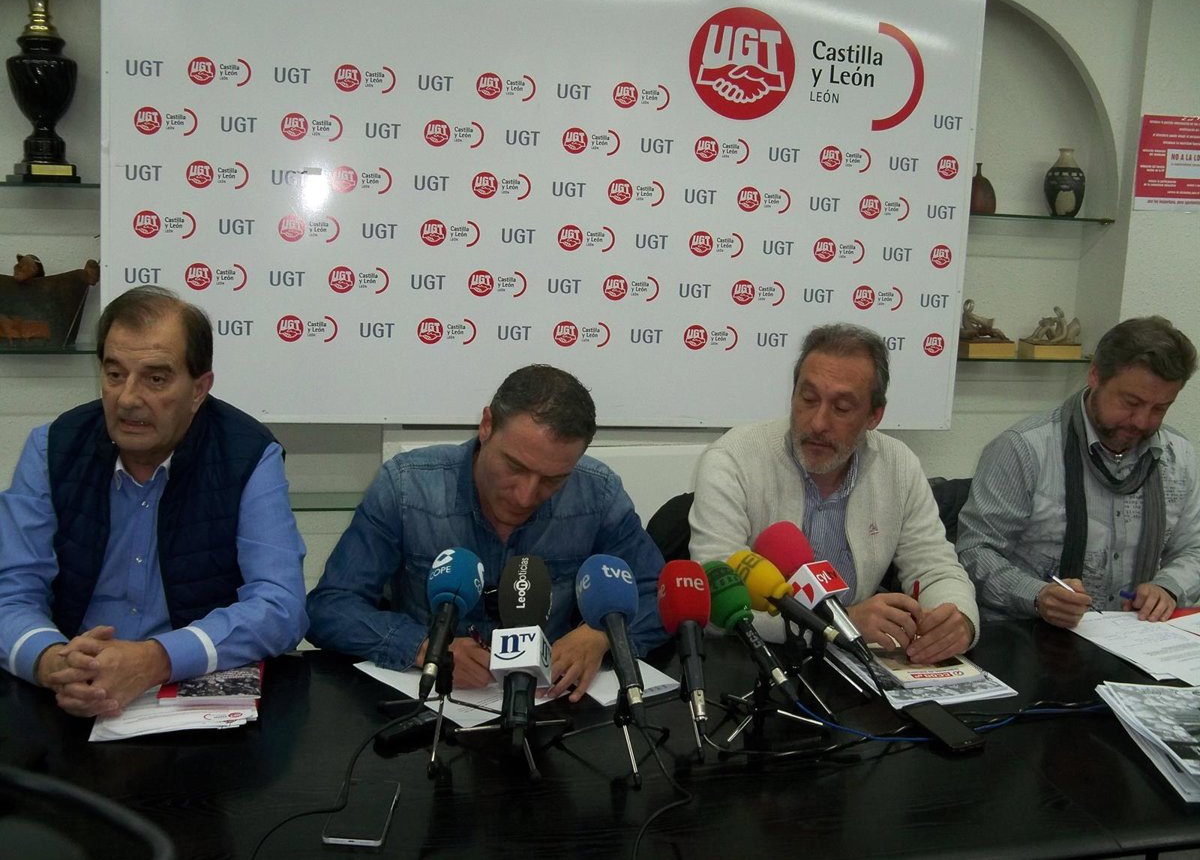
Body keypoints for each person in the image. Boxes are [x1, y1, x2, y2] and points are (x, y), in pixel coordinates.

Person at [0, 286, 307, 717]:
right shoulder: (51, 448)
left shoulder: (249, 455)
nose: (128, 398)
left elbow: (280, 606)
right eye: (114, 374)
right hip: (70, 694)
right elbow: (11, 592)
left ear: (199, 389)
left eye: (155, 379)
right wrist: (54, 662)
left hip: (189, 699)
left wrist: (156, 659)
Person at [305, 364, 667, 700]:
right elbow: (330, 607)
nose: (526, 495)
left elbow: (660, 594)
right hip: (430, 705)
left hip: (548, 706)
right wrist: (424, 647)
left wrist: (602, 634)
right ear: (486, 426)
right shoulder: (407, 488)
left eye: (553, 480)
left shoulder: (597, 494)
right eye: (515, 467)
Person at [689, 323, 979, 663]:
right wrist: (839, 624)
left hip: (855, 662)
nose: (818, 423)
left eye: (841, 408)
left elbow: (935, 569)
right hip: (756, 661)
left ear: (874, 416)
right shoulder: (732, 459)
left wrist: (958, 620)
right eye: (808, 399)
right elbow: (717, 598)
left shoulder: (898, 465)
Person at [959, 316, 1199, 628]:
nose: (1142, 421)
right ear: (1095, 375)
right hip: (1032, 634)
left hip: (1135, 635)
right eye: (1131, 402)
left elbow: (1193, 549)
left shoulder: (1178, 454)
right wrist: (1037, 595)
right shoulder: (1023, 449)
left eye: (1159, 408)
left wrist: (1168, 587)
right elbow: (974, 552)